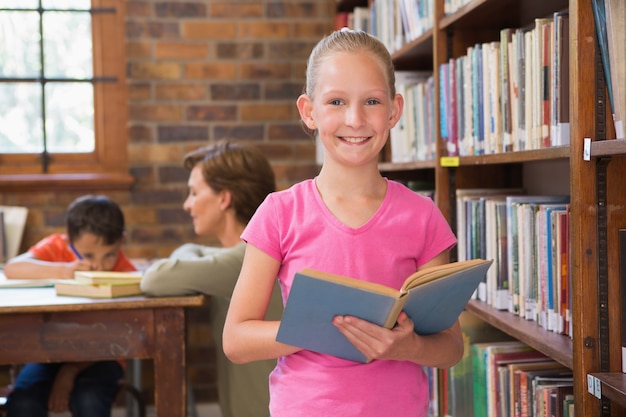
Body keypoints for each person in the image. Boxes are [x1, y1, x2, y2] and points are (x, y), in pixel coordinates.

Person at [222, 29, 463, 417]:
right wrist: (319, 329)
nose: (355, 119)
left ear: (394, 111)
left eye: (371, 101)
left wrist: (407, 346)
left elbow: (451, 347)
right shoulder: (279, 212)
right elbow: (236, 340)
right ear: (309, 111)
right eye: (336, 101)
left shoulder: (422, 217)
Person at [140, 140, 283, 417]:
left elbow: (155, 279)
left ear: (223, 198)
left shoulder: (244, 260)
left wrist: (186, 253)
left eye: (194, 193)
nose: (187, 205)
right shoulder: (245, 256)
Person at [4, 194, 136, 417]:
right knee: (23, 402)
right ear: (69, 242)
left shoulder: (126, 271)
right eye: (89, 255)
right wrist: (62, 270)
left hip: (102, 356)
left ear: (121, 240)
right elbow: (12, 269)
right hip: (48, 353)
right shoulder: (57, 247)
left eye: (109, 255)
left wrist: (70, 371)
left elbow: (119, 335)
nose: (99, 266)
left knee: (89, 400)